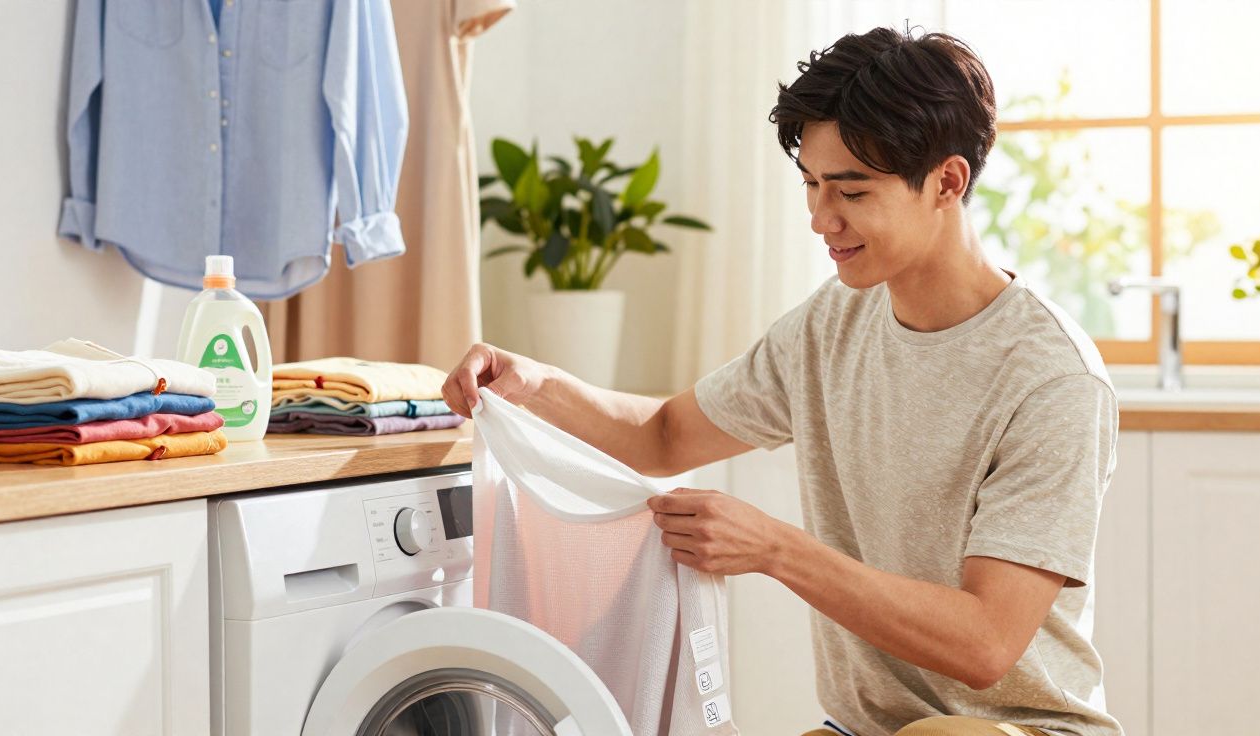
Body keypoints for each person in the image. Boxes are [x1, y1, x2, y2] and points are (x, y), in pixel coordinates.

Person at [443, 26, 1121, 736]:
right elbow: (666, 436)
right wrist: (534, 384)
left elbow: (985, 644)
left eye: (850, 191)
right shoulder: (833, 323)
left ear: (947, 182)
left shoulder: (1052, 380)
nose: (820, 219)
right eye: (811, 184)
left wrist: (775, 549)